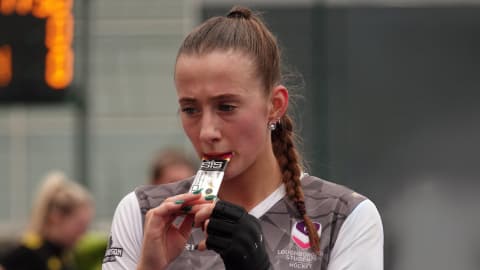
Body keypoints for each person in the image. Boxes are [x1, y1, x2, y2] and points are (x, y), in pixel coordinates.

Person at [102, 6, 383, 270]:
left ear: (275, 105)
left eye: (226, 107)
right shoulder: (143, 213)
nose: (206, 132)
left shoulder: (343, 216)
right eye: (190, 109)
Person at [0, 171, 94, 270]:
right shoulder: (26, 255)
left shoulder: (64, 258)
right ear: (56, 216)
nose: (84, 233)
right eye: (80, 225)